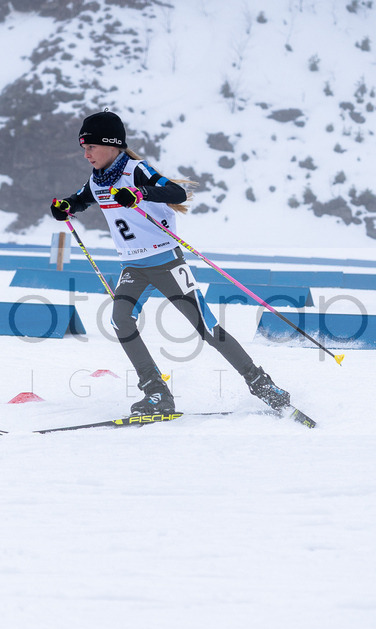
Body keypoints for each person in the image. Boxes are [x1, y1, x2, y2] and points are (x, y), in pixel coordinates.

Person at [49, 109, 291, 416]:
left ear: (111, 145)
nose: (86, 154)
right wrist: (65, 206)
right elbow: (81, 199)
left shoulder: (135, 170)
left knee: (206, 328)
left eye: (90, 147)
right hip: (133, 268)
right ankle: (156, 392)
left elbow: (176, 191)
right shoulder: (97, 180)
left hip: (166, 264)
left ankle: (261, 384)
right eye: (83, 148)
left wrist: (139, 193)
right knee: (120, 319)